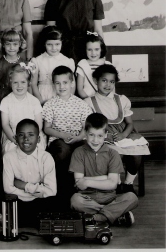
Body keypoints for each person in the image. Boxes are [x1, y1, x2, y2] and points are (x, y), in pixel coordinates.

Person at [84, 64, 150, 194]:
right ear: (96, 81)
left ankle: (128, 183)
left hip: (123, 134)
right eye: (104, 80)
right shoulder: (89, 102)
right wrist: (103, 136)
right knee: (115, 154)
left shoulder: (121, 100)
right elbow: (89, 126)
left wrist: (123, 135)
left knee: (137, 154)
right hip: (103, 136)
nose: (108, 85)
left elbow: (130, 124)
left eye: (112, 82)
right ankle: (116, 182)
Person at [70, 113, 138, 226]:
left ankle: (95, 218)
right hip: (87, 198)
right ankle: (113, 215)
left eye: (100, 136)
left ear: (106, 134)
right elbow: (79, 184)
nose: (95, 140)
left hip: (110, 198)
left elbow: (112, 185)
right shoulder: (78, 153)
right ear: (85, 133)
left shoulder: (113, 154)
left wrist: (87, 181)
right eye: (91, 135)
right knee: (75, 200)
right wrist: (107, 179)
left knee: (132, 197)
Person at [42, 66, 92, 201]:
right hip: (58, 141)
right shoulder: (50, 104)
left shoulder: (81, 104)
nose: (61, 86)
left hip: (78, 139)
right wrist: (62, 135)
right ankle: (63, 191)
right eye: (57, 83)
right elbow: (47, 128)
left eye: (65, 82)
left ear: (72, 83)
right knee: (63, 151)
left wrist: (78, 138)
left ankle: (80, 189)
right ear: (53, 85)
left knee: (82, 152)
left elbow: (86, 128)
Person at [3, 119, 57, 227]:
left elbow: (51, 191)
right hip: (19, 201)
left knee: (55, 203)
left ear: (38, 139)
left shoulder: (46, 157)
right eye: (21, 135)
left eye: (31, 135)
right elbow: (8, 188)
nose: (26, 139)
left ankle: (26, 221)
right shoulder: (8, 157)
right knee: (4, 203)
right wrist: (37, 190)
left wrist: (24, 186)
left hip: (40, 202)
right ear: (15, 138)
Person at [0, 64, 45, 154]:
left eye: (23, 82)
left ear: (28, 83)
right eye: (15, 82)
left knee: (37, 150)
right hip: (13, 135)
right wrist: (15, 139)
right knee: (11, 150)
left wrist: (31, 138)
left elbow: (39, 125)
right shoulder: (6, 101)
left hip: (32, 135)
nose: (19, 86)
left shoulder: (34, 101)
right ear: (10, 82)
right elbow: (5, 124)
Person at [31, 26, 75, 105]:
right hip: (42, 96)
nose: (54, 48)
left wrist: (67, 101)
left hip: (61, 97)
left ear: (62, 43)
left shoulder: (67, 61)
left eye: (57, 44)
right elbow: (33, 84)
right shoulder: (37, 61)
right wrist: (40, 101)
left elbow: (73, 84)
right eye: (49, 44)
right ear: (44, 44)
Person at [0, 29, 28, 104]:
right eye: (8, 44)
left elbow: (28, 85)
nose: (11, 48)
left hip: (21, 97)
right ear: (3, 44)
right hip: (3, 98)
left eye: (15, 44)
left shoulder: (25, 64)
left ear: (20, 44)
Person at [76, 32, 111, 99]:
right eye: (89, 50)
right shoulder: (82, 64)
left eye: (96, 49)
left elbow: (112, 87)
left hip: (105, 100)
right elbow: (80, 90)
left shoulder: (107, 64)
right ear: (85, 50)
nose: (93, 53)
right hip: (87, 99)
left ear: (101, 49)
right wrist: (90, 100)